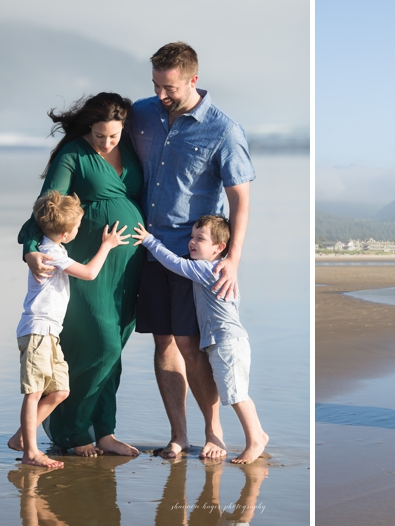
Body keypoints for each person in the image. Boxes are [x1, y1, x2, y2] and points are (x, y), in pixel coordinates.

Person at [134, 42, 256, 459]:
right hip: (149, 252)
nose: (161, 95)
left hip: (195, 260)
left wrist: (233, 260)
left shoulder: (224, 129)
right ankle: (177, 435)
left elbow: (240, 198)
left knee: (192, 346)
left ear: (193, 80)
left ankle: (214, 433)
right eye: (156, 85)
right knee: (163, 344)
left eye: (169, 87)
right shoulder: (143, 113)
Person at [17, 92, 146, 458]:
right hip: (88, 262)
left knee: (115, 349)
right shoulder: (73, 153)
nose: (106, 143)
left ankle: (105, 430)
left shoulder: (132, 149)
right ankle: (70, 431)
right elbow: (45, 206)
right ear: (88, 127)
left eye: (113, 136)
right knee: (97, 345)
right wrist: (29, 249)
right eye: (99, 135)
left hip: (126, 268)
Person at [131, 217, 269, 464]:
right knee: (234, 392)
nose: (192, 243)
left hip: (227, 342)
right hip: (223, 341)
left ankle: (256, 438)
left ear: (219, 248)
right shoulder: (213, 268)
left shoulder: (208, 269)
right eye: (191, 237)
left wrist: (150, 241)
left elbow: (173, 262)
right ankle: (255, 436)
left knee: (237, 394)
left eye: (200, 239)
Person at [12, 192, 129, 467]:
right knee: (35, 392)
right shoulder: (51, 253)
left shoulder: (55, 249)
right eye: (77, 227)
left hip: (50, 333)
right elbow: (89, 273)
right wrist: (107, 245)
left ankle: (21, 436)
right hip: (37, 331)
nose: (79, 230)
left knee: (61, 391)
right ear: (65, 234)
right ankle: (30, 451)